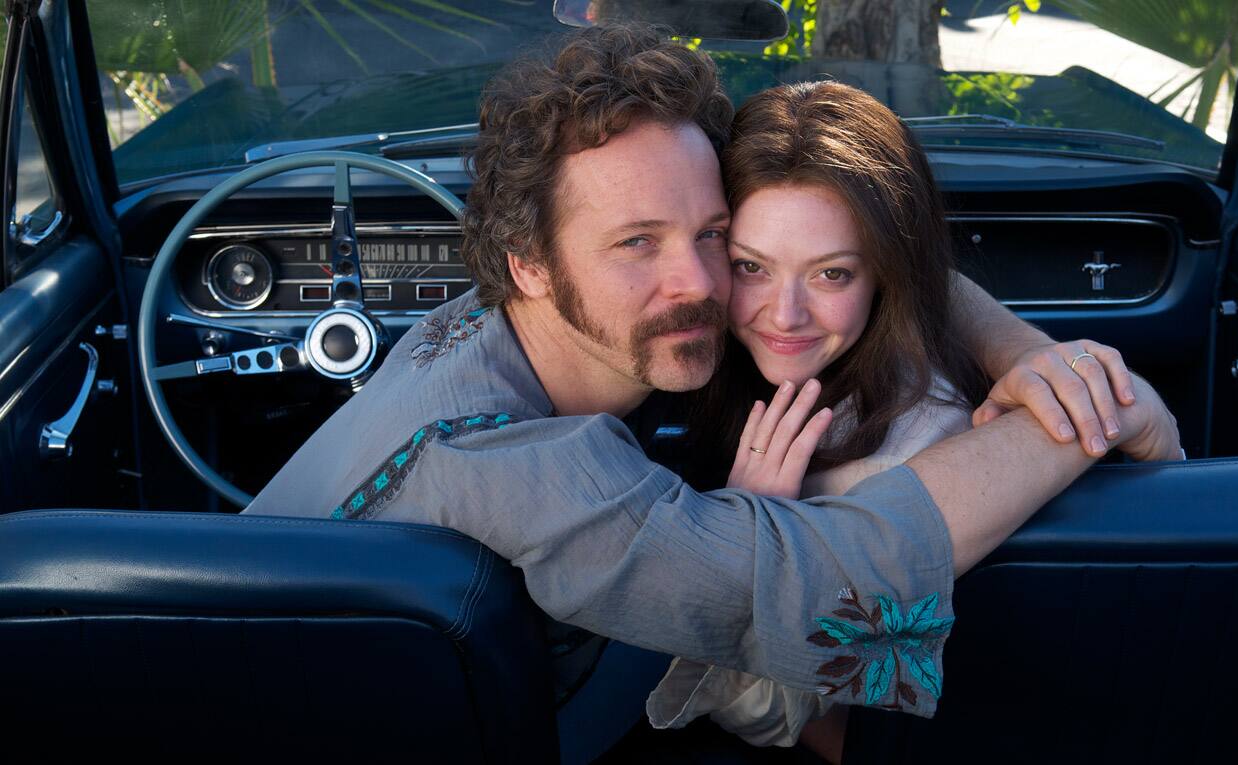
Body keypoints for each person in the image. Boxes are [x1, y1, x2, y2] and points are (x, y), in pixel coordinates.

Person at [243, 23, 1181, 758]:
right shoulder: (529, 474)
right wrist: (1092, 412)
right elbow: (826, 584)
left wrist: (1024, 352)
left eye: (713, 236)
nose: (699, 284)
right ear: (528, 262)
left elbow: (858, 237)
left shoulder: (492, 320)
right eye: (636, 244)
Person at [646, 80, 1161, 762]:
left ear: (885, 274)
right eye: (752, 266)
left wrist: (751, 537)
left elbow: (801, 716)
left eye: (831, 274)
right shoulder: (787, 363)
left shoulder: (906, 455)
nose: (785, 314)